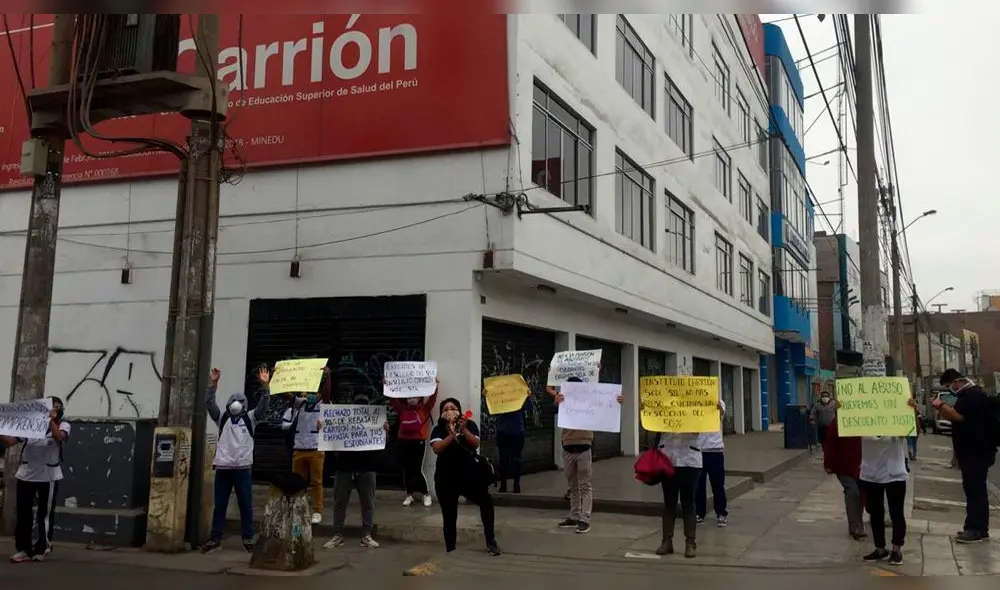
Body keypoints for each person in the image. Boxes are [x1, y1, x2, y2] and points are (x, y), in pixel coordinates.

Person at [202, 366, 271, 554]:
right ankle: (215, 538)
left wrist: (265, 386)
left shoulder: (250, 419)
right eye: (234, 401)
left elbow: (264, 405)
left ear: (245, 404)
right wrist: (213, 383)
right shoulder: (222, 418)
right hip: (223, 469)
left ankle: (247, 538)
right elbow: (209, 403)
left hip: (243, 470)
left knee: (245, 506)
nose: (236, 403)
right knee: (220, 506)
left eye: (240, 401)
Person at [547, 378, 625, 534]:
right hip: (568, 446)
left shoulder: (591, 399)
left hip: (584, 447)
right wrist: (556, 401)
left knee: (584, 485)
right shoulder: (563, 399)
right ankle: (574, 516)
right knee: (572, 486)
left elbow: (605, 405)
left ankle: (585, 519)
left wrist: (617, 401)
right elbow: (552, 411)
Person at [429, 397, 501, 556]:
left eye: (452, 407)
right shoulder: (438, 429)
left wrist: (464, 431)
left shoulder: (470, 424)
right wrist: (451, 435)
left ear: (459, 410)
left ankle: (491, 540)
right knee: (449, 515)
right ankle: (451, 548)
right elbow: (437, 448)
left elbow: (475, 444)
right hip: (446, 478)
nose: (449, 411)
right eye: (445, 408)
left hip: (469, 475)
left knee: (486, 503)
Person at [2, 397, 70, 563]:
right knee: (23, 513)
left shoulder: (63, 425)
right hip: (26, 474)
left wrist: (50, 419)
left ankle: (43, 546)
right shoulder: (30, 425)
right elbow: (11, 441)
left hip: (48, 476)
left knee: (44, 514)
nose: (54, 409)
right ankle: (24, 549)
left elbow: (58, 437)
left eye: (57, 407)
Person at [934, 369, 996, 543]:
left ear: (956, 381)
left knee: (975, 490)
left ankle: (975, 529)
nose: (949, 389)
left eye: (949, 386)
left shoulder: (974, 396)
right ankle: (978, 527)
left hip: (976, 452)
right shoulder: (966, 396)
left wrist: (940, 405)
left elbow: (960, 417)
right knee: (973, 490)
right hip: (971, 452)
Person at [324, 393, 387, 550]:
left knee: (368, 503)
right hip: (344, 467)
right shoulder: (343, 421)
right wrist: (323, 429)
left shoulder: (375, 422)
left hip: (366, 467)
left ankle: (366, 535)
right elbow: (330, 441)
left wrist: (386, 431)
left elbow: (383, 446)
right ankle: (338, 535)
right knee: (340, 503)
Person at [860, 396, 917, 566]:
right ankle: (879, 548)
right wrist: (840, 411)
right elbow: (845, 428)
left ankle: (896, 549)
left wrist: (911, 411)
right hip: (871, 473)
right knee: (875, 512)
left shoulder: (896, 422)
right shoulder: (861, 421)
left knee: (896, 512)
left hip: (895, 474)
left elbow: (912, 431)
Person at [283, 366, 332, 524]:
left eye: (313, 391)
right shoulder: (300, 404)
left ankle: (317, 510)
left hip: (316, 449)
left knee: (316, 481)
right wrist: (278, 380)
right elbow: (286, 396)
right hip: (299, 448)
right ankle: (298, 508)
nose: (309, 395)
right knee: (297, 481)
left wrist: (327, 377)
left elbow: (327, 392)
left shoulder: (324, 403)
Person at [388, 380, 438, 508]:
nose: (411, 399)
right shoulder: (402, 409)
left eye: (414, 397)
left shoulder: (424, 409)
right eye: (409, 397)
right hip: (403, 441)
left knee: (417, 469)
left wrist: (435, 385)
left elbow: (432, 399)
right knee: (407, 469)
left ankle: (426, 494)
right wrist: (387, 385)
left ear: (420, 398)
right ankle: (409, 494)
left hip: (418, 442)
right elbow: (393, 401)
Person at [822, 407, 866, 540]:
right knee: (853, 492)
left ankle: (858, 525)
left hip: (862, 467)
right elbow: (829, 443)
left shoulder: (867, 421)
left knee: (861, 495)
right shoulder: (839, 422)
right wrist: (828, 464)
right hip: (844, 467)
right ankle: (855, 528)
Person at [695, 399, 728, 527]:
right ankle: (699, 513)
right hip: (698, 451)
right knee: (699, 485)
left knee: (718, 485)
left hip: (715, 450)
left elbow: (721, 412)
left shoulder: (719, 402)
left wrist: (718, 407)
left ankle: (721, 513)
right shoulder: (694, 404)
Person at [494, 394, 530, 494]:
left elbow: (528, 407)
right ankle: (503, 484)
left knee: (516, 460)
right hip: (503, 431)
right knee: (503, 460)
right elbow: (492, 408)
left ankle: (516, 484)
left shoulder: (520, 395)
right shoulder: (500, 395)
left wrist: (527, 396)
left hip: (517, 431)